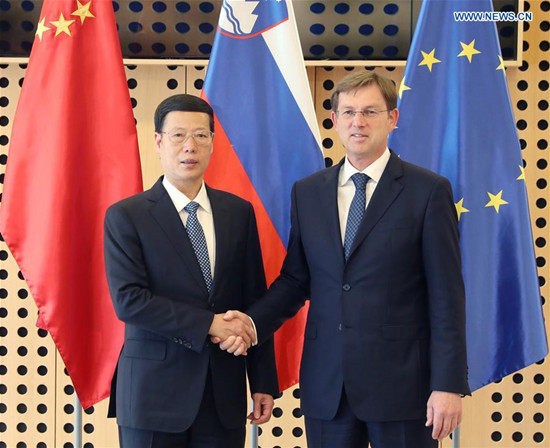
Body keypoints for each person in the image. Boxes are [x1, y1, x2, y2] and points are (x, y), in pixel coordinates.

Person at [219, 71, 470, 447]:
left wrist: (447, 384)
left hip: (404, 390)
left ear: (393, 118)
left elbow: (447, 297)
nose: (359, 121)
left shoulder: (429, 191)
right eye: (349, 112)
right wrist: (252, 323)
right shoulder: (308, 192)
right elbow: (296, 280)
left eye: (370, 111)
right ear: (334, 120)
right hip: (328, 388)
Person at [104, 94, 278, 448]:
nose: (190, 146)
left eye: (200, 136)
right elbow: (129, 301)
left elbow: (254, 299)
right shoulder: (127, 216)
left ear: (213, 143)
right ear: (158, 141)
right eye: (178, 135)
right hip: (153, 395)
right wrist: (210, 324)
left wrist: (262, 380)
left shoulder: (238, 212)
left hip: (223, 393)